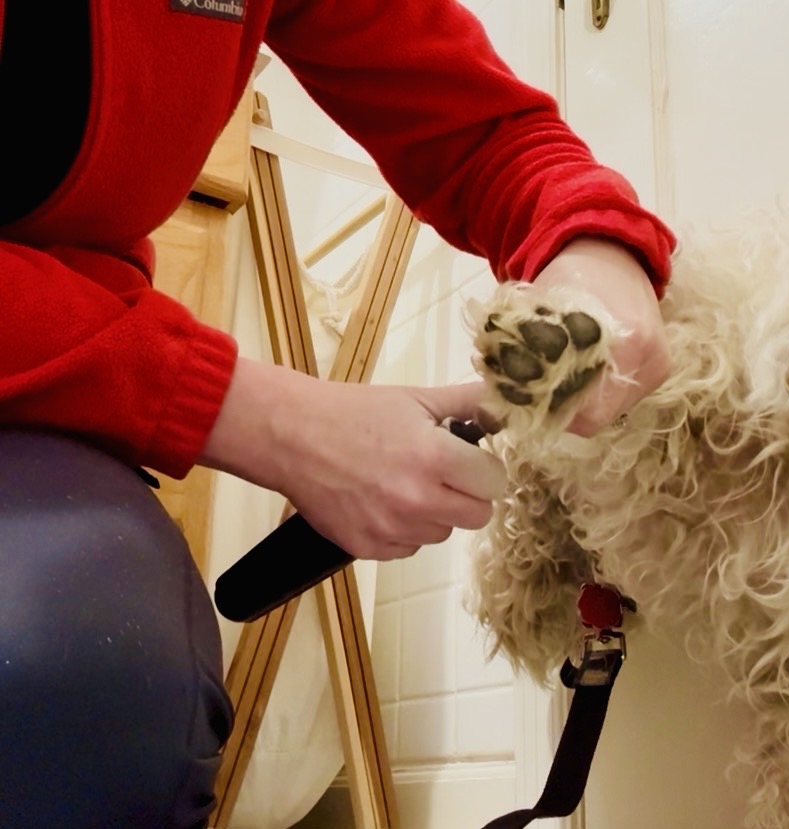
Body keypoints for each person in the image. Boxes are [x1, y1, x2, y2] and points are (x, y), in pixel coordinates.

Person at [0, 1, 675, 827]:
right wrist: (255, 413)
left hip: (41, 410)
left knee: (92, 680)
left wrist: (590, 243)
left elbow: (484, 132)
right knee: (39, 678)